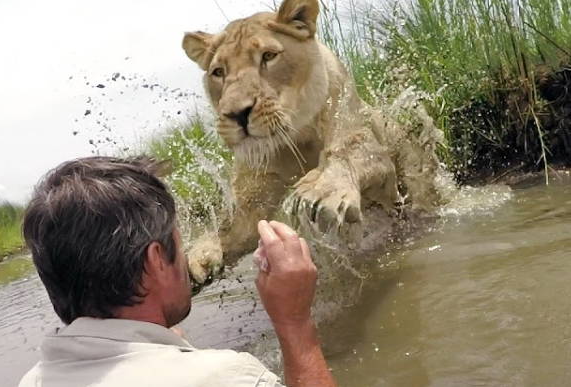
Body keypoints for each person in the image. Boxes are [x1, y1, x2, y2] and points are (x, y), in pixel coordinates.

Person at [17, 155, 338, 387]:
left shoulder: (32, 380)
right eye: (179, 242)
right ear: (156, 260)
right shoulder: (227, 378)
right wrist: (294, 324)